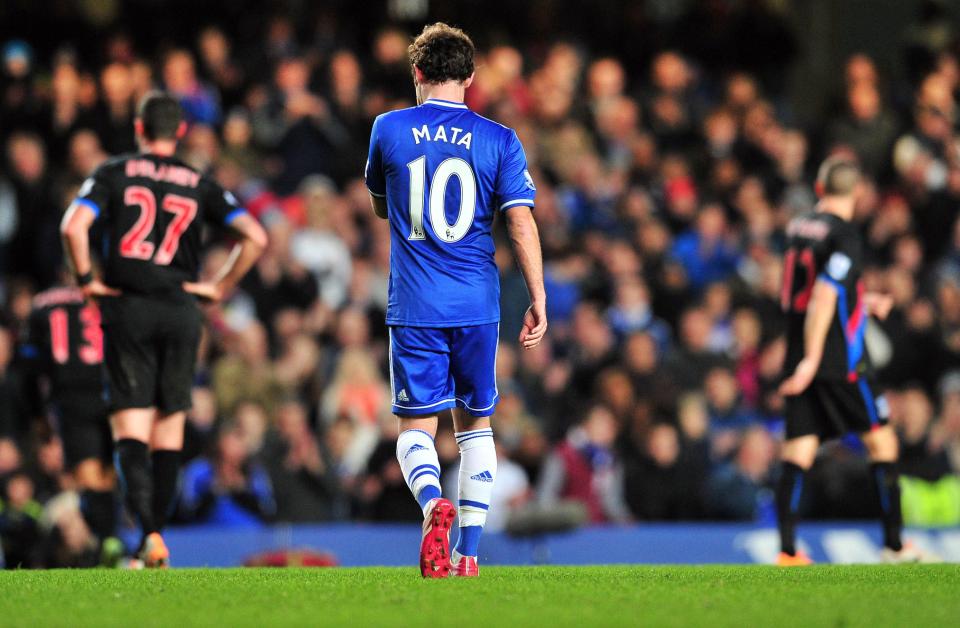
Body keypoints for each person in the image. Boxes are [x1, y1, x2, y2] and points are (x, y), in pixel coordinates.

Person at [365, 23, 546, 578]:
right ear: (470, 78)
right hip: (476, 303)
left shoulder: (388, 129)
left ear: (416, 73)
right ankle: (467, 553)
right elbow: (519, 221)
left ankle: (430, 503)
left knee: (416, 428)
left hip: (416, 303)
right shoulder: (500, 138)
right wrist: (537, 295)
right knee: (476, 425)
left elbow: (380, 204)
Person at [59, 91, 267, 567]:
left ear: (138, 129)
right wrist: (218, 286)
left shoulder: (114, 172)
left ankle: (149, 536)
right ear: (178, 133)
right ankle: (153, 538)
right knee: (168, 433)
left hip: (129, 308)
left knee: (131, 431)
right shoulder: (198, 181)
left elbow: (74, 226)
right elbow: (255, 237)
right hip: (180, 312)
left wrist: (88, 281)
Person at [777, 158, 935, 565]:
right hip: (837, 360)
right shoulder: (846, 234)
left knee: (799, 451)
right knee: (883, 443)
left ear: (818, 187)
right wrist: (815, 359)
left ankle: (788, 551)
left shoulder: (798, 228)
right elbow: (825, 296)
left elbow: (811, 291)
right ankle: (895, 546)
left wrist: (864, 303)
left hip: (797, 351)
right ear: (858, 193)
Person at [18, 281, 119, 561]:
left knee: (91, 478)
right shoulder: (109, 293)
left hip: (72, 396)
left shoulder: (43, 304)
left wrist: (40, 418)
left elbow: (30, 365)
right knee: (109, 476)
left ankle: (105, 545)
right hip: (113, 390)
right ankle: (109, 544)